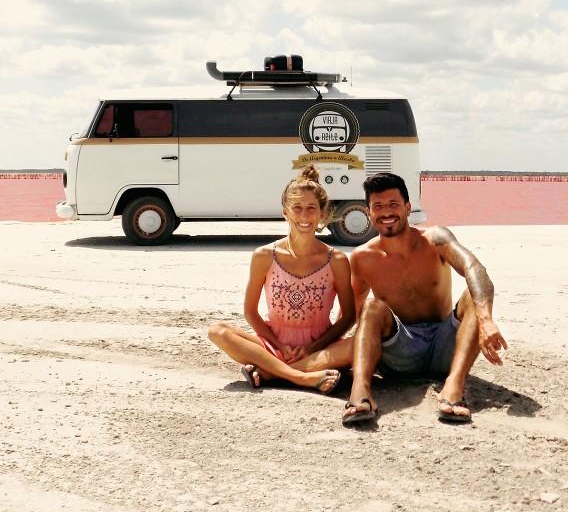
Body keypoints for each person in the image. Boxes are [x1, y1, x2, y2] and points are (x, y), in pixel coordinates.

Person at [342, 172, 508, 426]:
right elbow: (353, 317)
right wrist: (313, 351)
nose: (387, 212)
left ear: (408, 208)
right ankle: (361, 394)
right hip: (400, 352)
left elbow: (474, 268)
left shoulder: (436, 239)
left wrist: (486, 320)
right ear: (368, 213)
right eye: (378, 206)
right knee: (372, 306)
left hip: (446, 347)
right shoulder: (362, 257)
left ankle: (454, 387)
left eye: (394, 205)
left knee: (470, 297)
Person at [208, 165, 355, 393]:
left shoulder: (336, 259)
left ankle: (269, 372)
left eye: (311, 208)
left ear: (322, 213)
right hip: (272, 344)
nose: (304, 216)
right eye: (297, 208)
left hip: (319, 347)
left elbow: (348, 317)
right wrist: (278, 345)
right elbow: (250, 312)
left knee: (360, 346)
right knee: (217, 331)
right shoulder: (264, 256)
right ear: (285, 212)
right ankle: (300, 376)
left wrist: (313, 347)